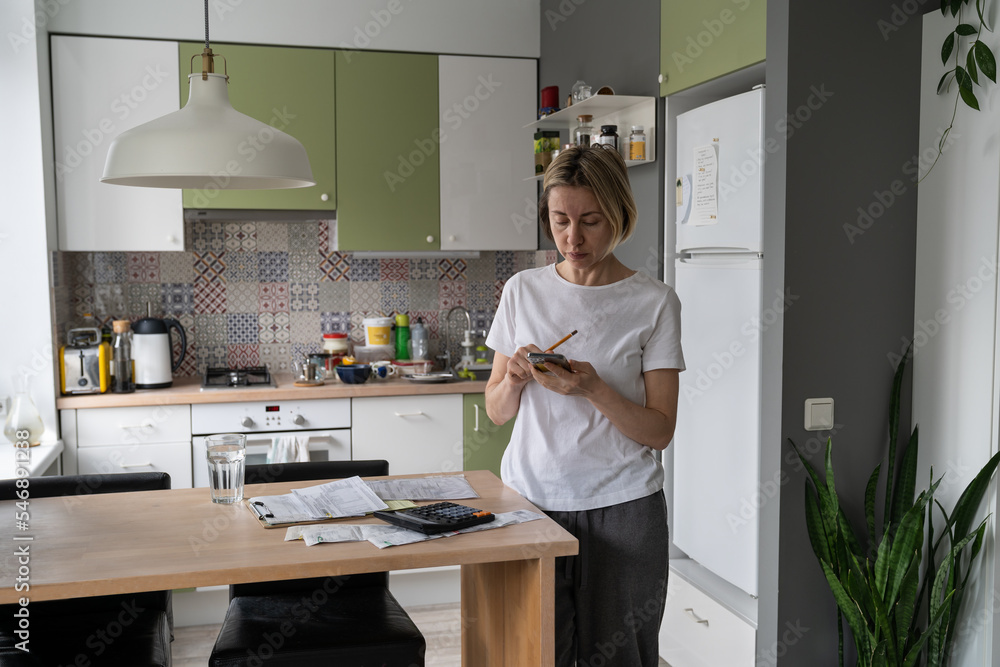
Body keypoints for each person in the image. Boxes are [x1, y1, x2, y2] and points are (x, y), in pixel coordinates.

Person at [485, 145, 685, 667]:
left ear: (619, 216)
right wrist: (514, 377)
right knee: (533, 655)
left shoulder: (655, 302)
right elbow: (497, 410)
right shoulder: (521, 291)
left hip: (625, 508)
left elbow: (660, 430)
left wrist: (594, 390)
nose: (573, 238)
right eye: (560, 220)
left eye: (591, 221)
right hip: (530, 502)